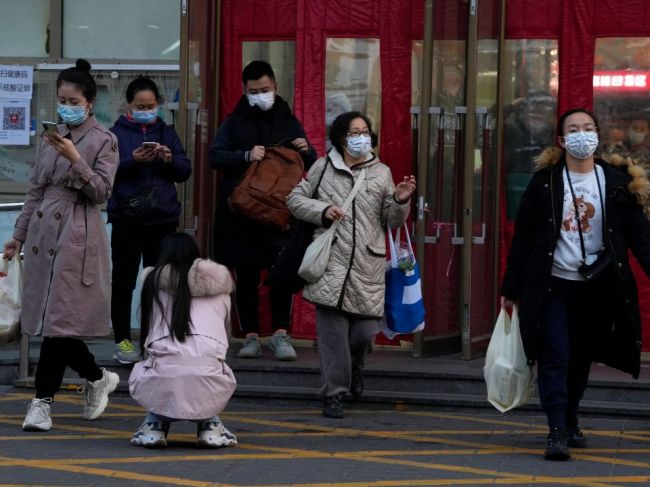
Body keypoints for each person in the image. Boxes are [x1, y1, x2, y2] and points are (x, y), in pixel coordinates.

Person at [500, 108, 650, 461]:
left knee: (580, 358)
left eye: (588, 128)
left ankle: (569, 418)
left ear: (597, 134)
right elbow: (523, 237)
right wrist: (510, 287)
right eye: (573, 129)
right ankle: (555, 430)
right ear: (562, 140)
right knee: (555, 355)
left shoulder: (616, 182)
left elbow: (640, 238)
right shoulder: (546, 182)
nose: (582, 134)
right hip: (552, 284)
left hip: (597, 287)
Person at [3, 59, 120, 432]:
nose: (65, 105)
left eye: (73, 99)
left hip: (78, 233)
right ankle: (98, 377)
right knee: (53, 325)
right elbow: (35, 190)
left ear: (89, 102)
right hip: (42, 235)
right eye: (61, 99)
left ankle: (41, 403)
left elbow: (101, 191)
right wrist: (17, 235)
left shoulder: (104, 140)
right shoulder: (49, 136)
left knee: (58, 325)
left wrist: (76, 158)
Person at [287, 111, 416, 419]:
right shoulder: (322, 167)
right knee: (332, 339)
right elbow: (295, 199)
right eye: (354, 132)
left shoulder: (381, 172)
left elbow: (391, 220)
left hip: (366, 266)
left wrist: (400, 200)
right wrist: (323, 209)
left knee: (363, 334)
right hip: (330, 263)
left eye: (365, 131)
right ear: (341, 138)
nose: (362, 136)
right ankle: (333, 393)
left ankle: (355, 369)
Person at [208, 60, 317, 361]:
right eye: (254, 91)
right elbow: (215, 156)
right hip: (241, 216)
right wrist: (245, 155)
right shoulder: (234, 122)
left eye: (265, 90)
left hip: (281, 214)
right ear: (244, 90)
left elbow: (312, 163)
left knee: (282, 273)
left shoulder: (288, 120)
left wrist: (306, 150)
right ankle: (251, 337)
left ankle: (281, 334)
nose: (260, 95)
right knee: (245, 275)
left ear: (275, 87)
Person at [107, 76, 191, 364]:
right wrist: (133, 160)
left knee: (158, 283)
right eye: (140, 106)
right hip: (126, 218)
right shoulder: (115, 134)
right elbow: (106, 172)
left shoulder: (167, 131)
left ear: (159, 104)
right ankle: (123, 341)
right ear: (129, 106)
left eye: (151, 105)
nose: (146, 110)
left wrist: (168, 158)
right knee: (124, 281)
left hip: (162, 219)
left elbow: (184, 170)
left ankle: (153, 339)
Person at [128, 233, 237, 449]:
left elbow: (148, 335)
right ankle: (210, 426)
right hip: (210, 381)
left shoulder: (153, 285)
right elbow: (225, 335)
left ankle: (154, 425)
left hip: (162, 380)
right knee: (208, 366)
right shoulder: (221, 288)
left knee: (158, 366)